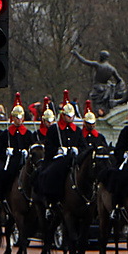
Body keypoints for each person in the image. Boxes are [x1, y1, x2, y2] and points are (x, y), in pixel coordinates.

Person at [38, 90, 85, 219]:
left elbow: (83, 146)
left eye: (72, 116)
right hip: (58, 159)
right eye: (67, 116)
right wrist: (58, 151)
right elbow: (48, 146)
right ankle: (52, 202)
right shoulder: (55, 129)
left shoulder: (78, 131)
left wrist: (77, 150)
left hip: (74, 160)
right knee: (53, 173)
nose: (70, 118)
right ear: (63, 115)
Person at [0, 93, 36, 208]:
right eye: (17, 117)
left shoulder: (28, 134)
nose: (19, 120)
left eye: (21, 117)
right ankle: (0, 200)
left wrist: (28, 152)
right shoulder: (6, 134)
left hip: (25, 161)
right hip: (11, 161)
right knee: (5, 174)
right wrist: (5, 152)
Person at [72, 49, 125, 114]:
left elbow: (85, 61)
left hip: (98, 88)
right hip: (106, 90)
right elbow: (119, 80)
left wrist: (76, 54)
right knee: (104, 108)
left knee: (96, 107)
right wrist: (115, 89)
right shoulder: (112, 69)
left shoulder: (98, 65)